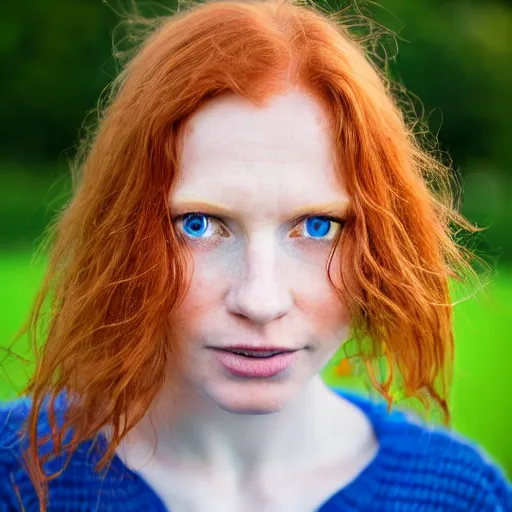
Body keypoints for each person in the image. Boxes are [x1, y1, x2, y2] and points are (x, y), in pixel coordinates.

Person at [1, 0, 511, 510]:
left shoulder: (460, 495)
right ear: (124, 233)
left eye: (318, 226)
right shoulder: (15, 473)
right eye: (198, 225)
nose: (260, 300)